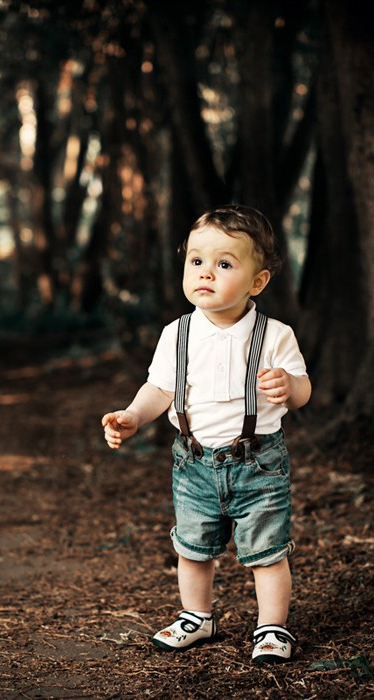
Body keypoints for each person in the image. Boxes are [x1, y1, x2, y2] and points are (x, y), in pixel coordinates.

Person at [101, 204, 311, 665]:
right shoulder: (176, 334)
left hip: (258, 462)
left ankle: (272, 627)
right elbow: (159, 388)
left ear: (257, 282)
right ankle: (198, 616)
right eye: (196, 261)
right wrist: (134, 416)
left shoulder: (274, 335)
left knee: (267, 551)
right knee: (193, 548)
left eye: (224, 264)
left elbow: (302, 392)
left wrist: (288, 385)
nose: (206, 273)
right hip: (193, 463)